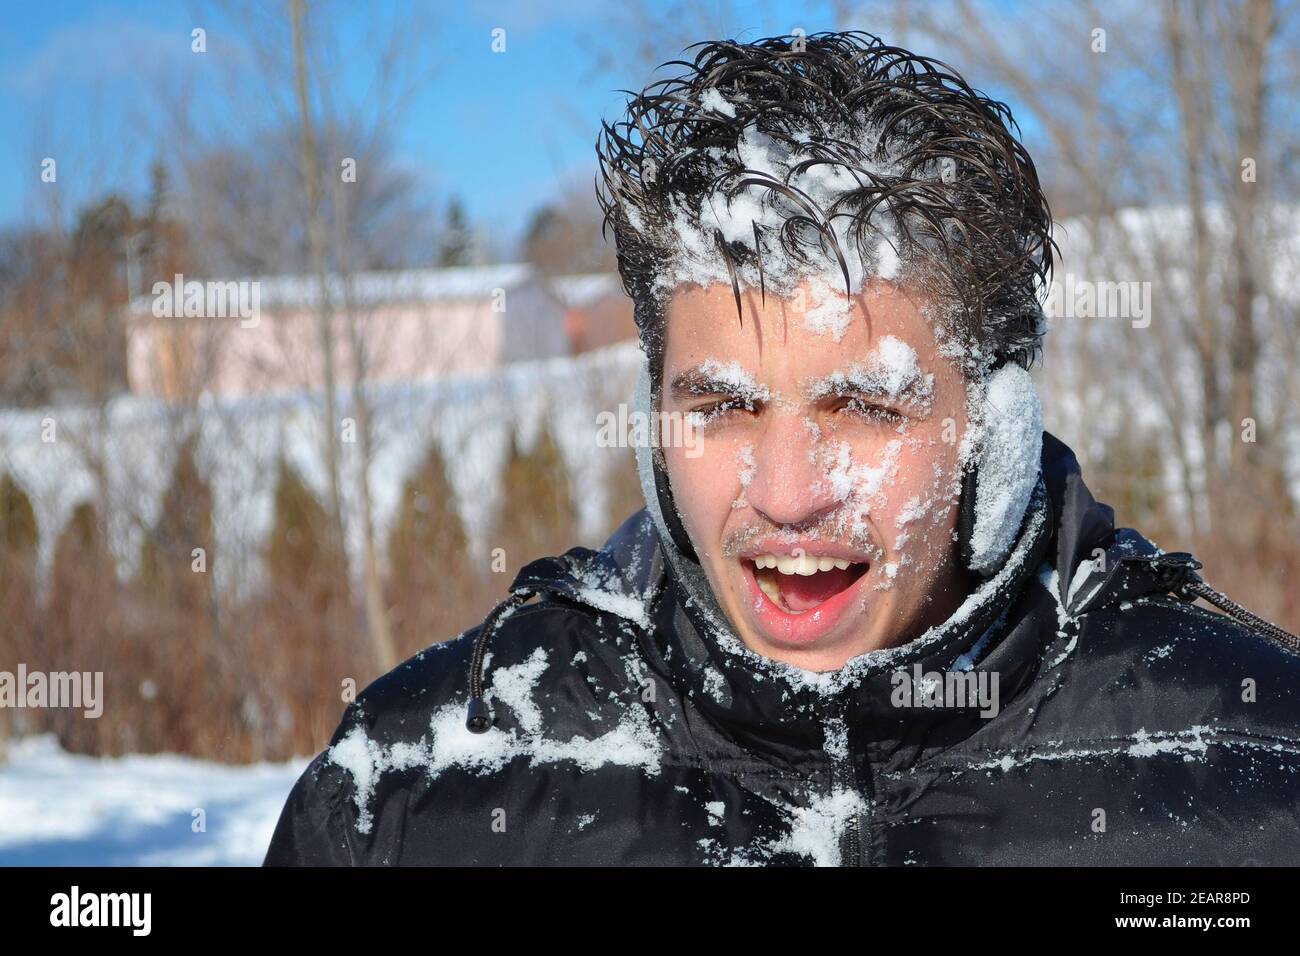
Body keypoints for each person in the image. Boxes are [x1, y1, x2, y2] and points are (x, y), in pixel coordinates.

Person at [265, 31, 1300, 866]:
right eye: (721, 408)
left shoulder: (1256, 767)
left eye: (865, 408)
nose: (789, 494)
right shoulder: (411, 787)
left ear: (996, 429)